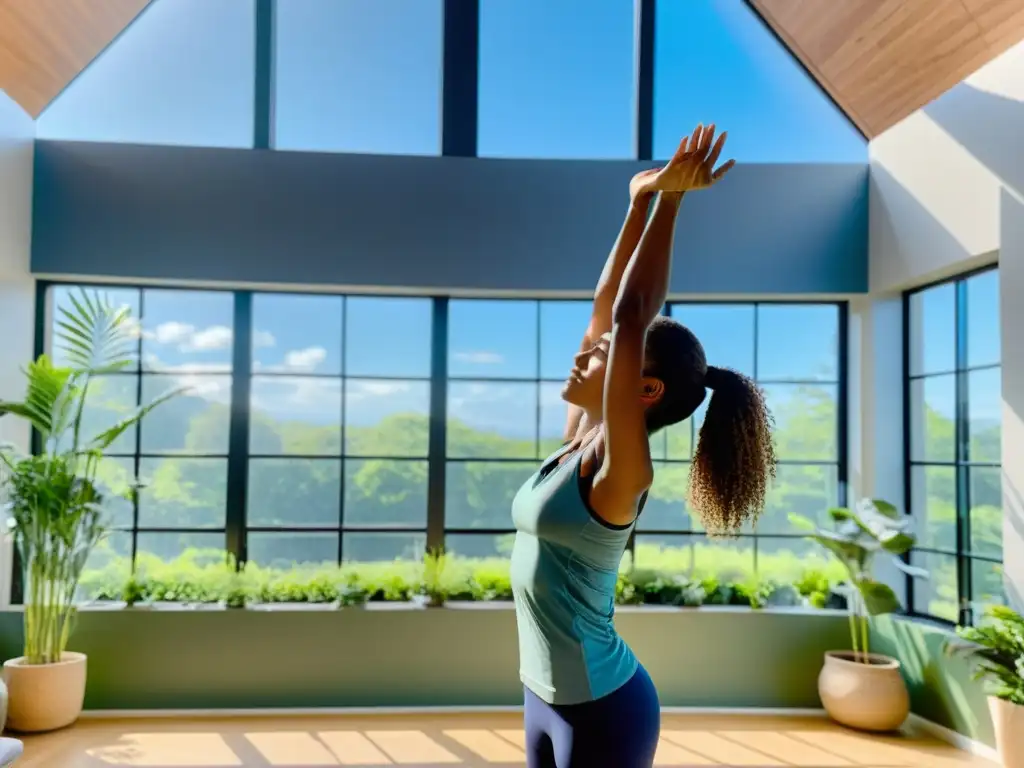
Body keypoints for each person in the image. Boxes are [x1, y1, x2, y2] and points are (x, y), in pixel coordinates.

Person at [510, 124, 777, 768]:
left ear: (645, 388)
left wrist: (675, 202)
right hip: (542, 697)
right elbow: (608, 306)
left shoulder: (619, 469)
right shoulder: (580, 442)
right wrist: (640, 199)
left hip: (604, 710)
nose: (583, 354)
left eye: (604, 357)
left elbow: (631, 316)